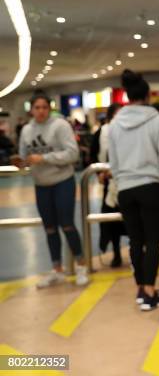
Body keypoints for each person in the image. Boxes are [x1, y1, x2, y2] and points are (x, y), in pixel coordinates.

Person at [108, 70, 159, 311]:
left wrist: (121, 182)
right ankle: (149, 291)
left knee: (135, 242)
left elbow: (113, 163)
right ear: (148, 95)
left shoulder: (114, 124)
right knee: (153, 242)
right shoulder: (158, 121)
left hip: (126, 189)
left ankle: (140, 288)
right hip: (151, 187)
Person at [16, 91, 89, 288]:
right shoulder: (26, 130)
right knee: (49, 229)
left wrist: (45, 158)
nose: (40, 111)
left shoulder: (60, 126)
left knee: (67, 224)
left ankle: (81, 266)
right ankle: (57, 270)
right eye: (37, 108)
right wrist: (21, 162)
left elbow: (73, 154)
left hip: (62, 182)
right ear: (31, 110)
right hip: (41, 185)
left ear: (50, 108)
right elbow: (24, 157)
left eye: (44, 107)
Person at [90, 103, 125, 267]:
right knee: (112, 222)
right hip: (110, 186)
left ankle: (139, 252)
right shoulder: (101, 134)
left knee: (133, 220)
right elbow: (92, 156)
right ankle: (116, 253)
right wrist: (100, 173)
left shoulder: (130, 131)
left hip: (129, 182)